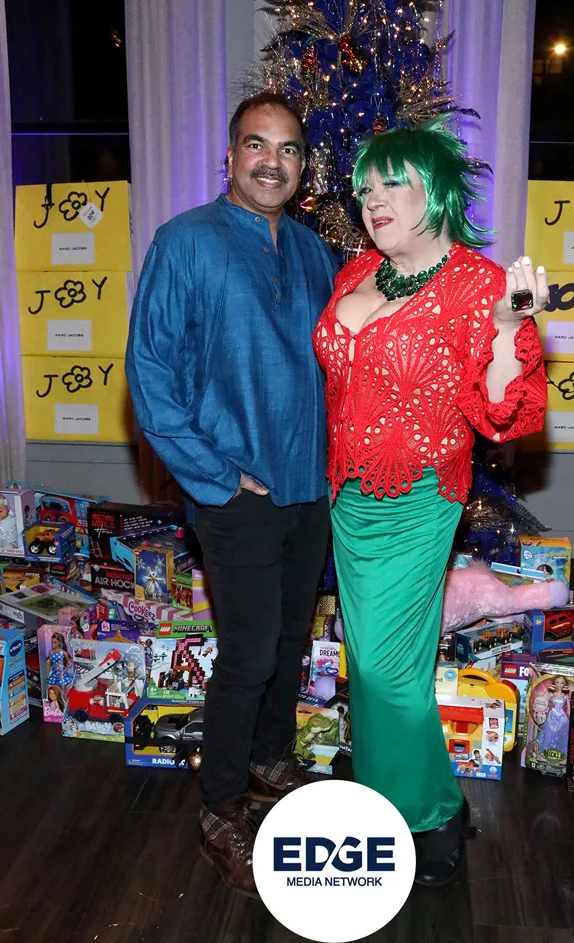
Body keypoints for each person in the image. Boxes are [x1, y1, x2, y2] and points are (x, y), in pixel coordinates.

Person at [313, 117, 548, 889]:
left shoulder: (478, 284)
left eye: (393, 183)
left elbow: (502, 413)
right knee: (380, 665)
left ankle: (418, 815)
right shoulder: (358, 272)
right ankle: (427, 797)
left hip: (417, 499)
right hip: (348, 496)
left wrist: (510, 327)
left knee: (384, 671)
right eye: (365, 188)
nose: (374, 200)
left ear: (437, 190)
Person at [125, 92, 338, 897]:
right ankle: (219, 808)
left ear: (303, 166)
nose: (271, 162)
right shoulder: (185, 241)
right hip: (234, 492)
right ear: (230, 156)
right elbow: (149, 375)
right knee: (248, 655)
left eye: (288, 149)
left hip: (308, 489)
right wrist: (215, 477)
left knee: (287, 644)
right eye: (257, 144)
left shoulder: (316, 254)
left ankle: (269, 759)